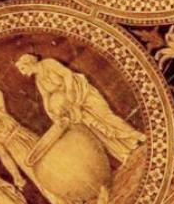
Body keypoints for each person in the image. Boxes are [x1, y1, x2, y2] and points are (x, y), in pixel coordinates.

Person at [15, 54, 146, 164]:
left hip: (82, 92)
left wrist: (70, 93)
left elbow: (67, 74)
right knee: (96, 128)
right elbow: (46, 98)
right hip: (71, 105)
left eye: (22, 68)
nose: (22, 72)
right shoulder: (38, 80)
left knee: (105, 116)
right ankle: (125, 151)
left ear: (29, 63)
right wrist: (52, 115)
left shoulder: (48, 63)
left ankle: (135, 135)